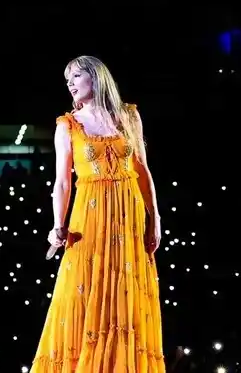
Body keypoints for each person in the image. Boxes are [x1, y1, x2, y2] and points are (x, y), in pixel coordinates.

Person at [31, 55, 165, 372]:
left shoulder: (129, 116)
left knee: (125, 292)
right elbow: (62, 182)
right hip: (89, 216)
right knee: (84, 289)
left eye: (76, 76)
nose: (70, 84)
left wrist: (155, 218)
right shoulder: (67, 126)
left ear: (96, 76)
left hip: (128, 216)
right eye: (68, 79)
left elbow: (142, 170)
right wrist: (57, 224)